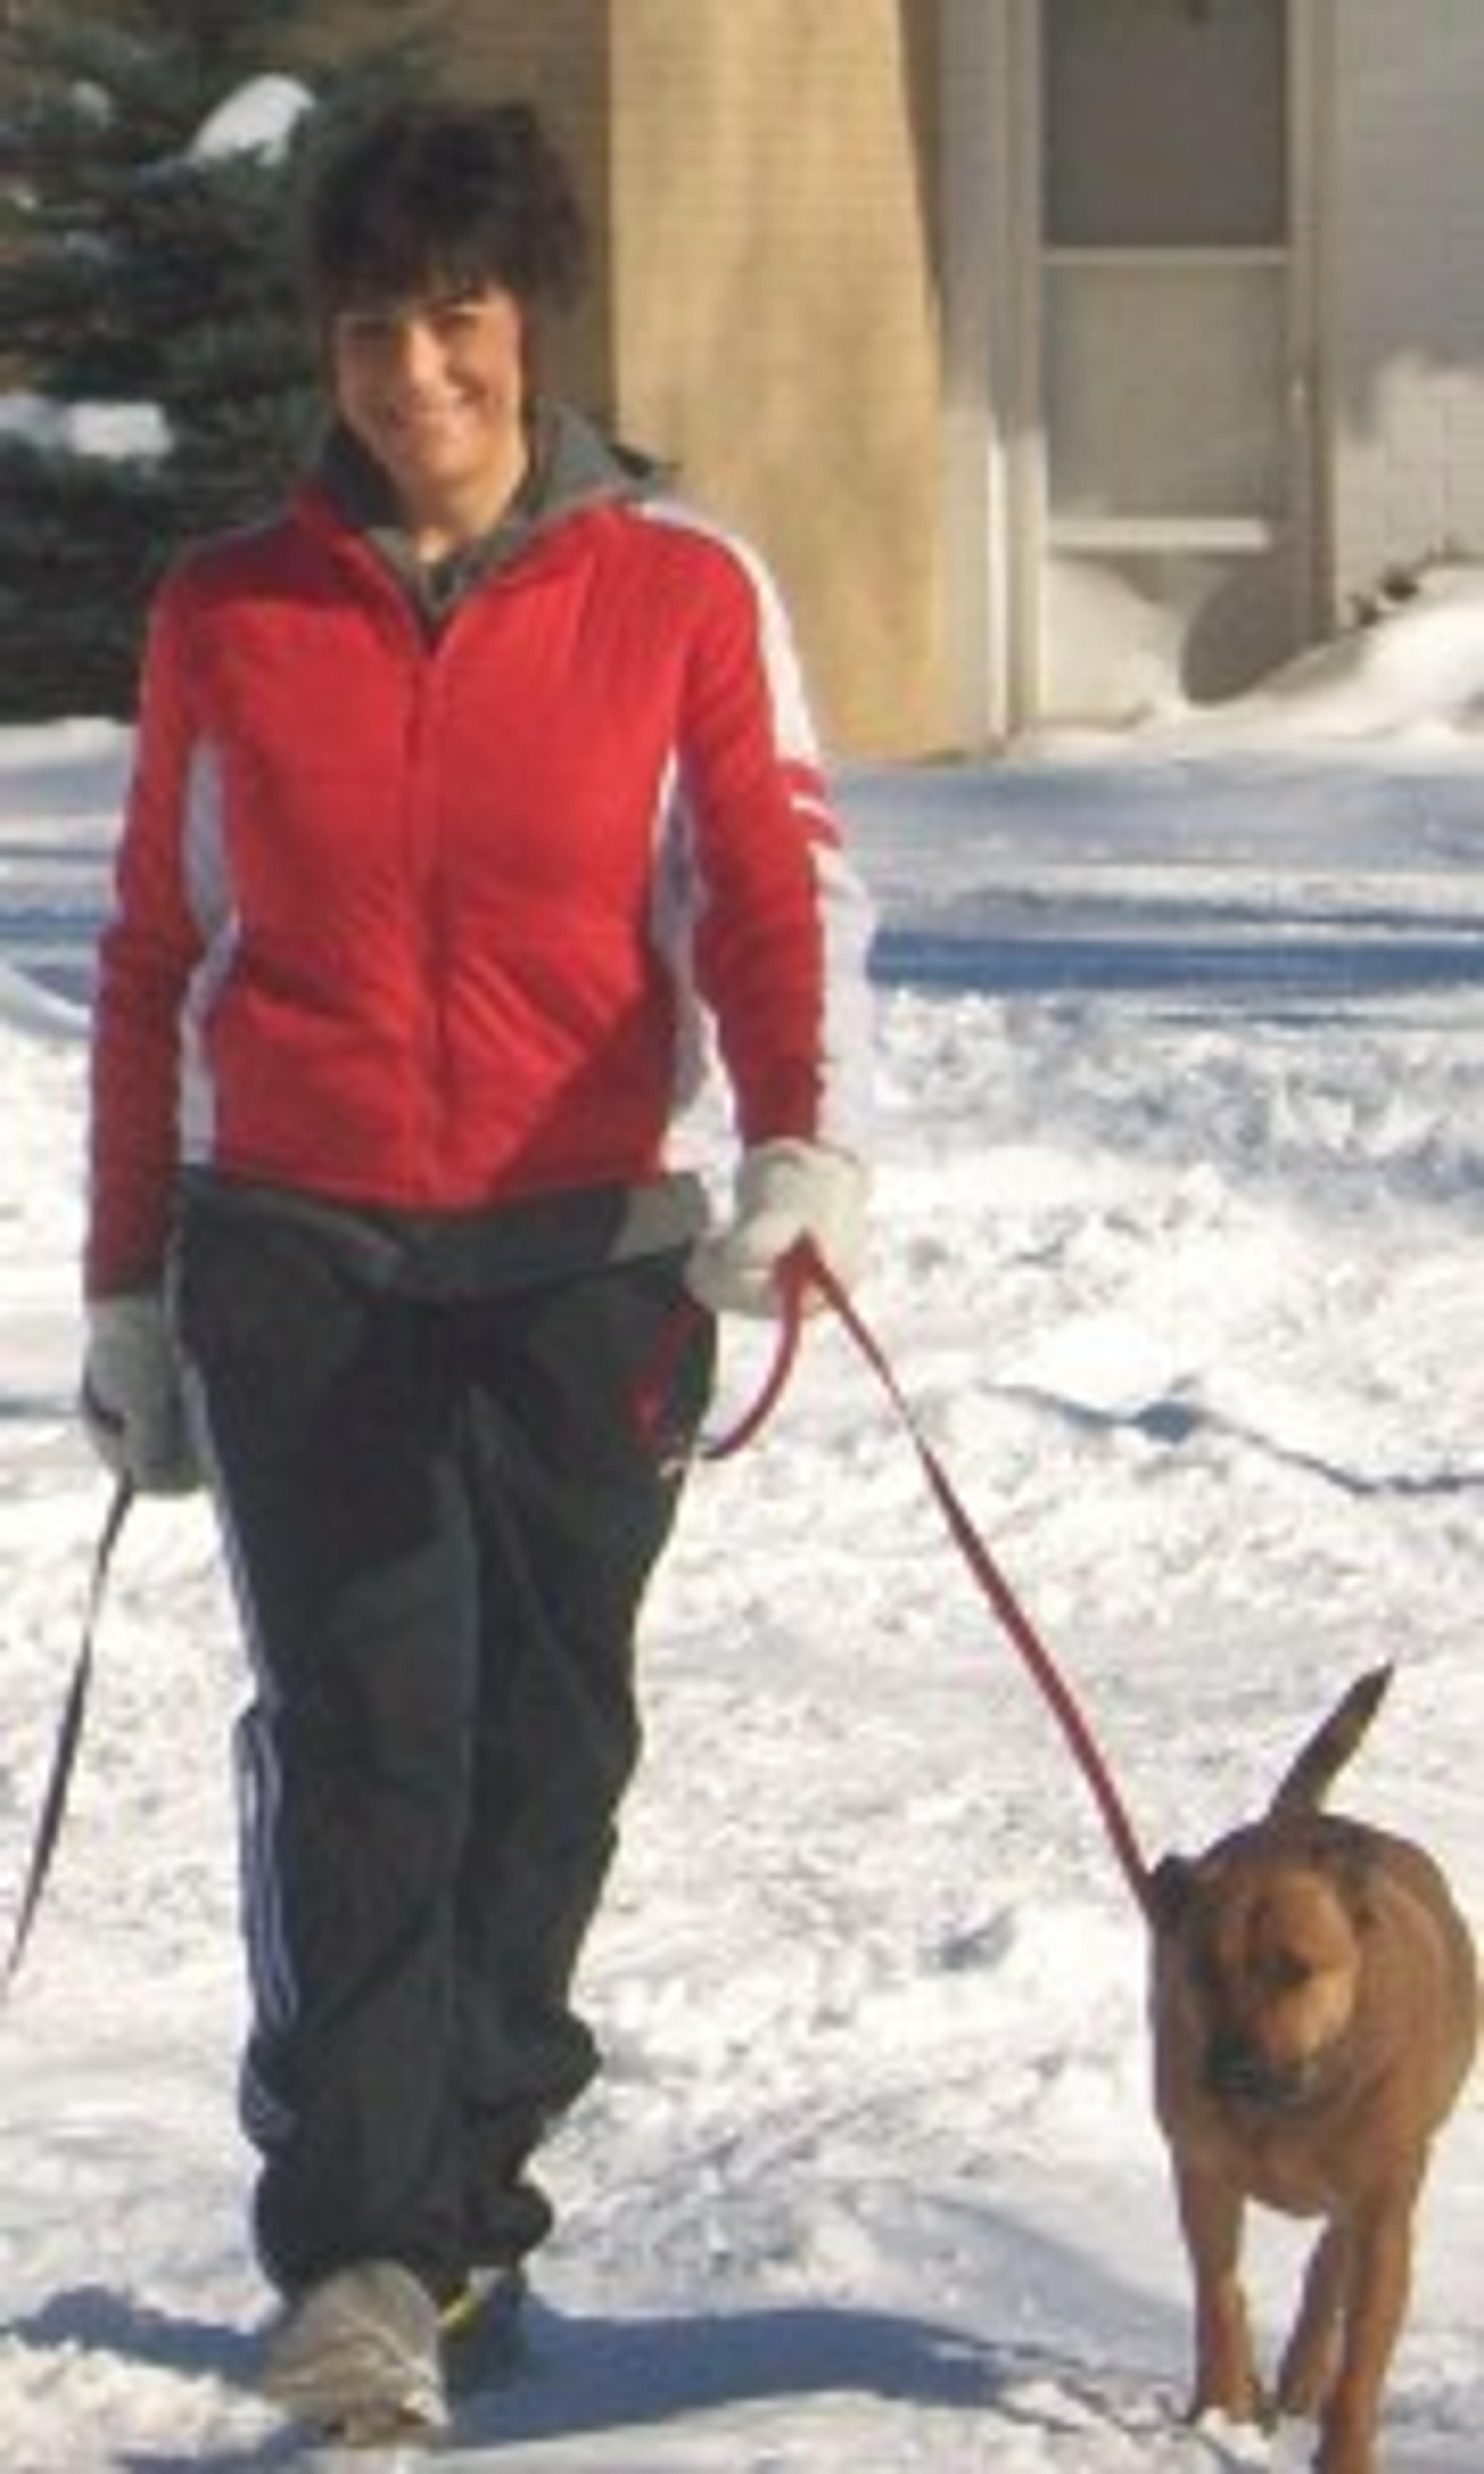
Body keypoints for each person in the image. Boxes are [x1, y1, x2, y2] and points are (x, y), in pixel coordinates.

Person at [80, 98, 873, 2445]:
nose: (413, 372)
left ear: (529, 321)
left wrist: (806, 1136)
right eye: (366, 329)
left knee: (544, 1760)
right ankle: (355, 2249)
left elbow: (771, 886)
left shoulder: (679, 593)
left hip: (583, 1255)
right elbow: (153, 955)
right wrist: (132, 1281)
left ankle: (465, 2208)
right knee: (372, 1738)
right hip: (302, 1252)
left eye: (456, 317)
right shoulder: (231, 610)